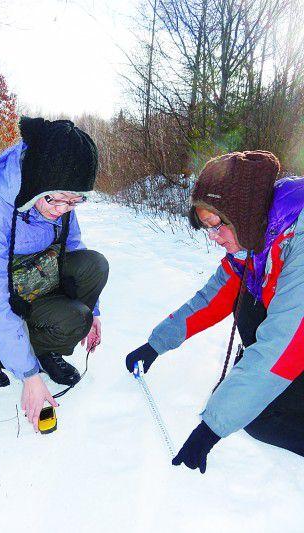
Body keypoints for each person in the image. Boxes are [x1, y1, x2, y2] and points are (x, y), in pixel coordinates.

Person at [126, 150, 304, 472]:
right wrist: (155, 344)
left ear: (244, 213)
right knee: (245, 309)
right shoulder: (255, 238)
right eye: (207, 227)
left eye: (217, 225)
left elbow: (285, 342)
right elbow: (211, 299)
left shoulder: (298, 238)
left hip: (294, 341)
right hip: (294, 342)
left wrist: (211, 428)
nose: (213, 237)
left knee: (261, 417)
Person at [0, 117, 109, 429]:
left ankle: (46, 347)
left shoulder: (59, 202)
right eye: (54, 198)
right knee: (71, 320)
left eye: (74, 200)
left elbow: (74, 250)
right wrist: (29, 375)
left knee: (93, 267)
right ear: (37, 181)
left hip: (27, 279)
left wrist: (94, 310)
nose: (61, 209)